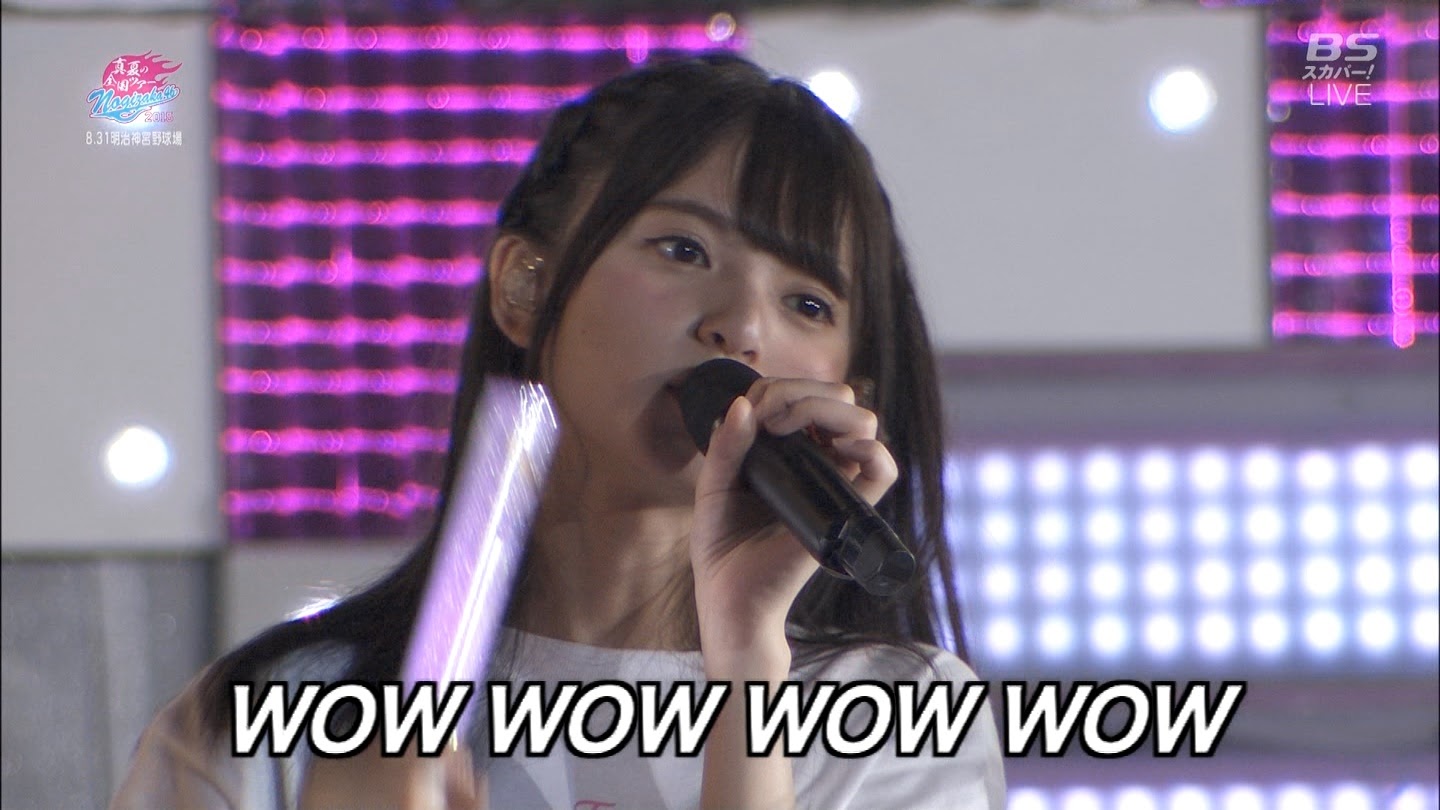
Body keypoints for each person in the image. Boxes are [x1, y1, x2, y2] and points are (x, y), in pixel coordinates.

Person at [112, 53, 1005, 809]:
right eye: (684, 250)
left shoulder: (895, 715)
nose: (741, 327)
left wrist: (748, 660)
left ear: (851, 395)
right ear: (524, 289)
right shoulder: (277, 714)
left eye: (806, 303)